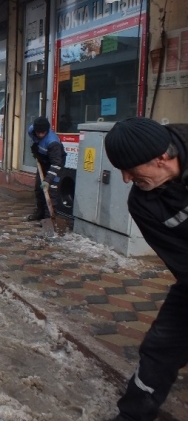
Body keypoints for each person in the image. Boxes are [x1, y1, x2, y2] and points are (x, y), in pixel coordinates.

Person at [103, 117, 188, 421]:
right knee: (160, 347)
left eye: (131, 170)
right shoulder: (143, 202)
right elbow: (181, 259)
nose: (126, 179)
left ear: (161, 158)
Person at [26, 116, 65, 221]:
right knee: (39, 189)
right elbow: (34, 140)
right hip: (43, 162)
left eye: (42, 133)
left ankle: (49, 219)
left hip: (55, 165)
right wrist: (35, 150)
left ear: (47, 130)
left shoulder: (53, 142)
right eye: (38, 132)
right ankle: (40, 213)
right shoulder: (32, 130)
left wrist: (48, 180)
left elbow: (56, 163)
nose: (39, 135)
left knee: (50, 191)